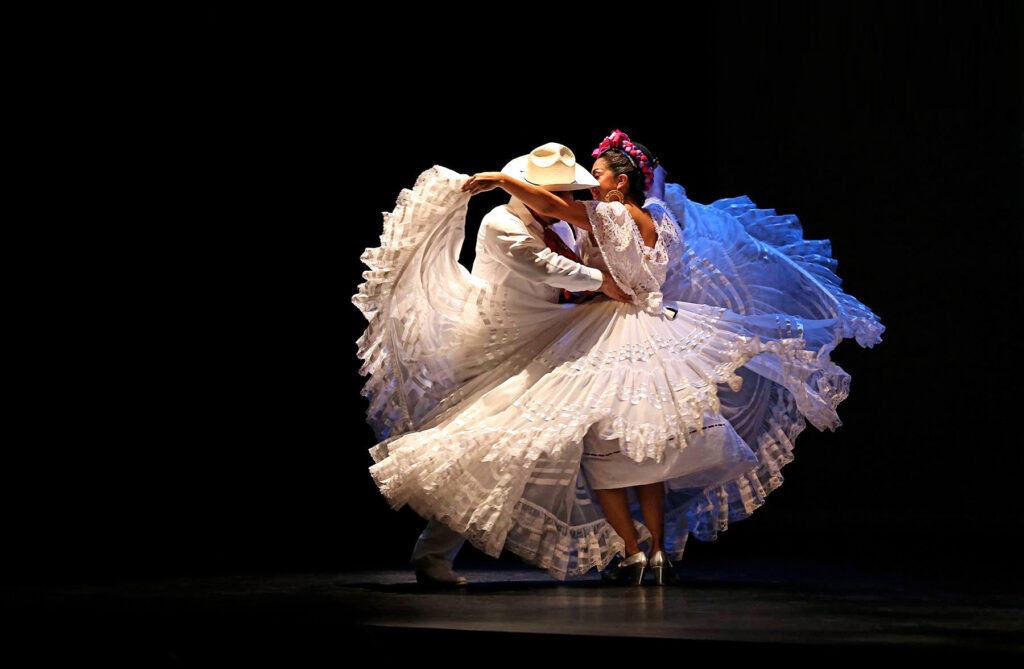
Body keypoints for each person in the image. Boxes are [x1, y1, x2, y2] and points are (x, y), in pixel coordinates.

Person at [355, 129, 883, 583]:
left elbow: (569, 236)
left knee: (613, 440)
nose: (584, 187)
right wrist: (607, 282)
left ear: (619, 180)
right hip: (525, 332)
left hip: (586, 328)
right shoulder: (520, 223)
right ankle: (642, 550)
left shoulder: (589, 217)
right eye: (565, 186)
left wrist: (608, 280)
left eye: (592, 178)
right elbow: (548, 264)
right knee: (542, 434)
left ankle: (639, 551)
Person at [354, 142, 630, 586]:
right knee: (486, 443)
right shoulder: (501, 222)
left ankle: (624, 546)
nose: (565, 202)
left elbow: (567, 263)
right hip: (499, 339)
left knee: (560, 431)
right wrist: (604, 283)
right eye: (556, 194)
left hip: (539, 330)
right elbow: (543, 267)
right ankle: (433, 553)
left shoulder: (555, 221)